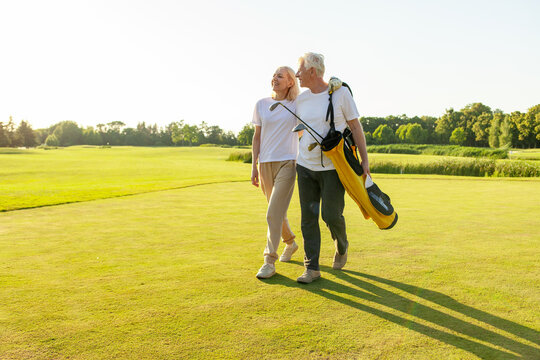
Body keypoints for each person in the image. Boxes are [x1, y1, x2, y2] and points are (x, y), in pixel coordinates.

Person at [294, 52, 370, 284]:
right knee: (308, 218)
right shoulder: (301, 99)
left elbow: (356, 127)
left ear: (312, 72)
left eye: (300, 70)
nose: (297, 75)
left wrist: (365, 161)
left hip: (335, 167)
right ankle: (312, 268)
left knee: (330, 214)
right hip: (305, 167)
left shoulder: (340, 93)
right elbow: (300, 129)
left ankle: (342, 244)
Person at [251, 66, 301, 279]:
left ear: (290, 82)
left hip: (288, 164)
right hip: (265, 164)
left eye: (280, 76)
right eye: (274, 75)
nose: (275, 78)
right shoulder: (261, 104)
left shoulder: (297, 105)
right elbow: (257, 137)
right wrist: (254, 165)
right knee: (277, 212)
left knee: (273, 213)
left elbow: (304, 130)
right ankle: (290, 243)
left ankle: (269, 261)